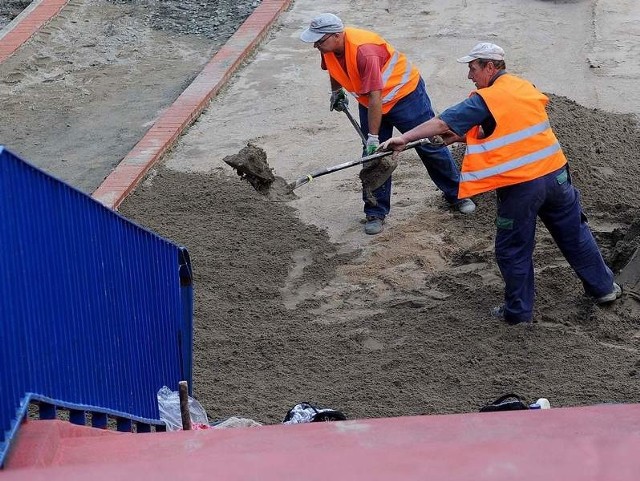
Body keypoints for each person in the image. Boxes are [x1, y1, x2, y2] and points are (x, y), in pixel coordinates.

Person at [379, 42, 622, 324]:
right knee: (575, 234)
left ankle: (518, 313)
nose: (470, 76)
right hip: (556, 174)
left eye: (473, 69)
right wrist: (464, 137)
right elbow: (510, 126)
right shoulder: (524, 86)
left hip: (521, 186)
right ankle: (603, 288)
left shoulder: (485, 99)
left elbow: (442, 123)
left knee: (513, 249)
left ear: (490, 67)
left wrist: (404, 138)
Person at [299, 13, 476, 235]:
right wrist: (337, 91)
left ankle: (457, 194)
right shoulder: (329, 47)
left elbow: (376, 97)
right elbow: (333, 67)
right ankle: (375, 211)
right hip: (370, 100)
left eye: (319, 40)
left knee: (428, 144)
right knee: (375, 157)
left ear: (337, 35)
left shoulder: (365, 51)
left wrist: (373, 137)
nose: (315, 45)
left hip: (405, 97)